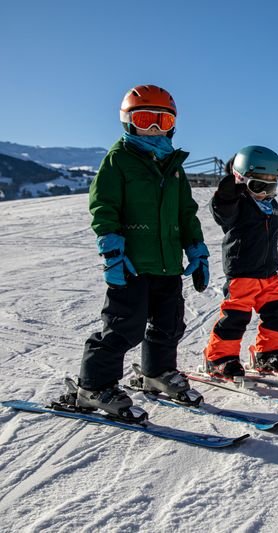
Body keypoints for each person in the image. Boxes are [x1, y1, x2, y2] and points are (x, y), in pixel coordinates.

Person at [74, 84, 208, 419]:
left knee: (169, 324)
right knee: (122, 326)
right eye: (144, 119)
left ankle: (157, 373)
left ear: (171, 125)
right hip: (133, 264)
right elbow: (103, 207)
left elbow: (186, 213)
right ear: (128, 121)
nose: (151, 128)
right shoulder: (119, 160)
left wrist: (197, 250)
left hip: (168, 265)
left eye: (160, 122)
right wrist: (113, 253)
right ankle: (93, 386)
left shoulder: (174, 167)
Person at [202, 145, 278, 378]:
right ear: (241, 180)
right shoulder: (238, 202)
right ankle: (219, 358)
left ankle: (269, 354)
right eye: (259, 186)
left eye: (271, 186)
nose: (265, 192)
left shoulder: (271, 205)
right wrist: (226, 195)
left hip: (268, 275)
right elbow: (221, 212)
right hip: (242, 273)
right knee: (236, 317)